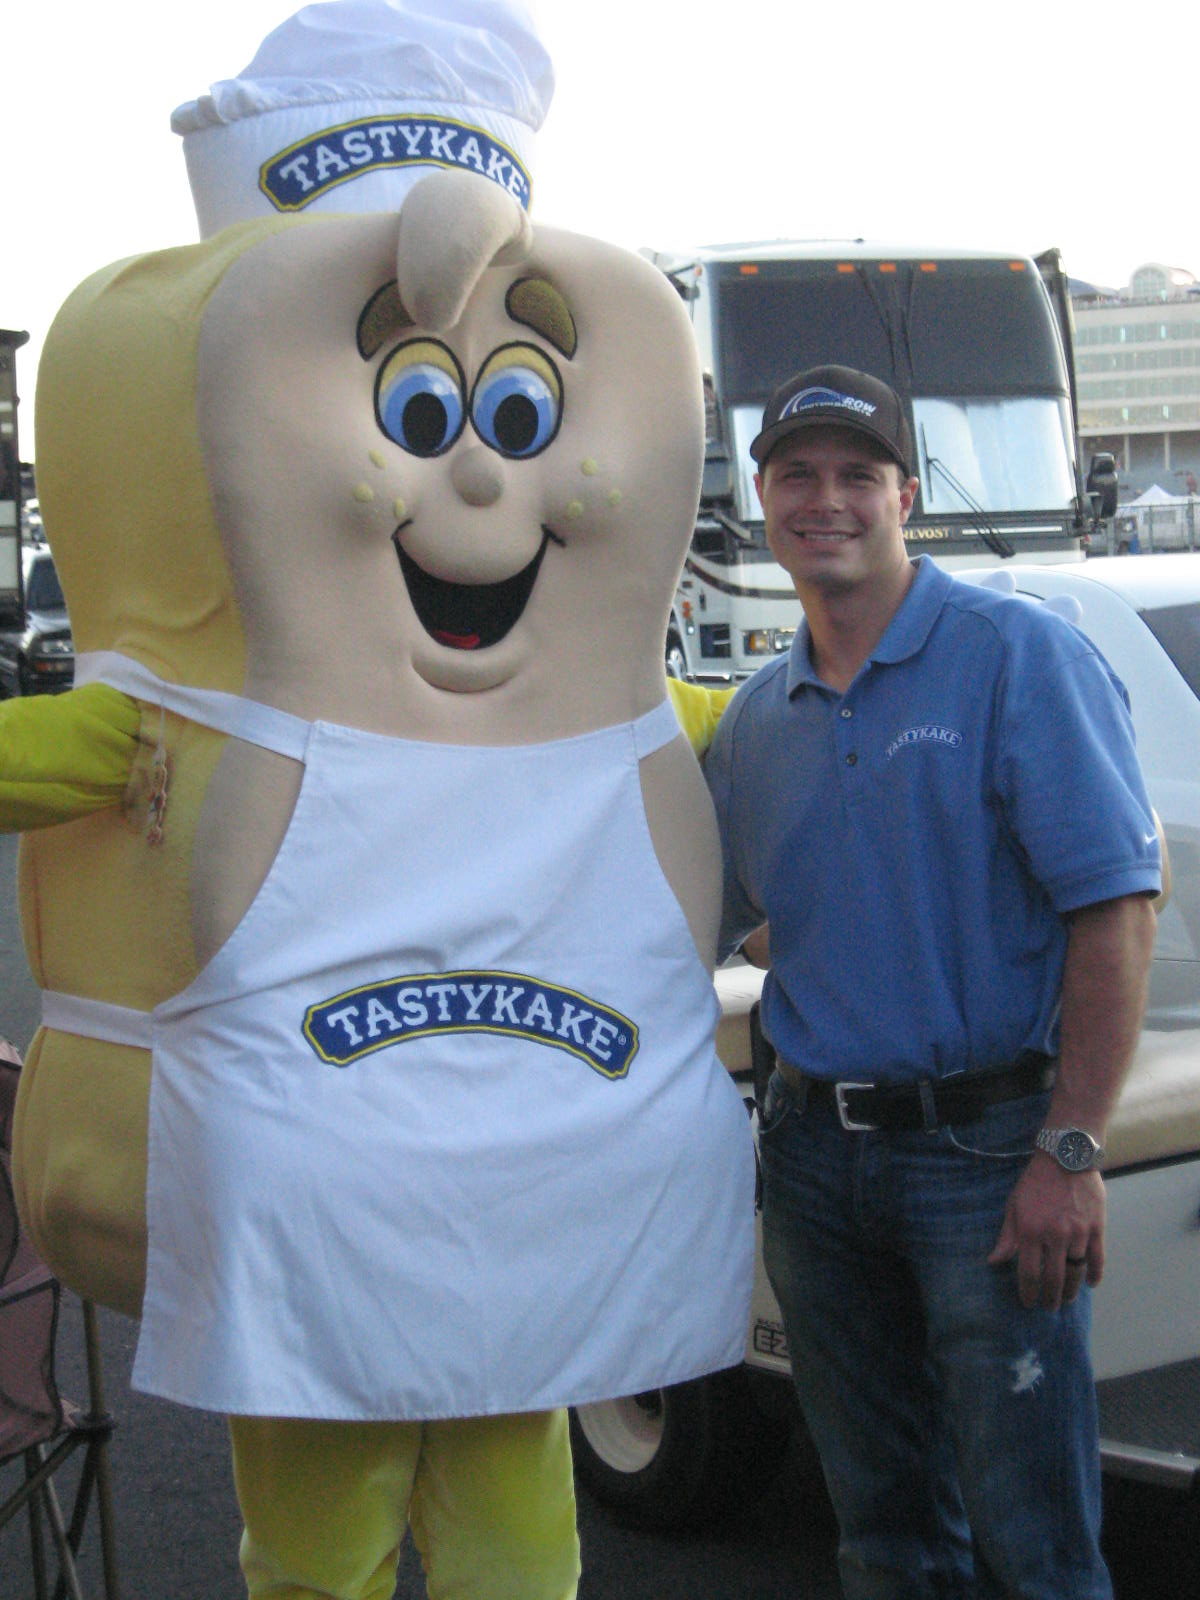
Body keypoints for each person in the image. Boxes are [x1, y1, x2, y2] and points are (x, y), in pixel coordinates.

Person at [705, 364, 1161, 1599]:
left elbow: (1114, 915)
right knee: (884, 1534)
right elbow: (710, 921)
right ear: (760, 501)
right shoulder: (757, 722)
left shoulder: (1017, 660)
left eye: (858, 474)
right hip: (811, 1160)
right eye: (797, 474)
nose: (827, 499)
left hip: (990, 1161)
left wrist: (1071, 1151)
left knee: (1037, 1545)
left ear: (908, 493)